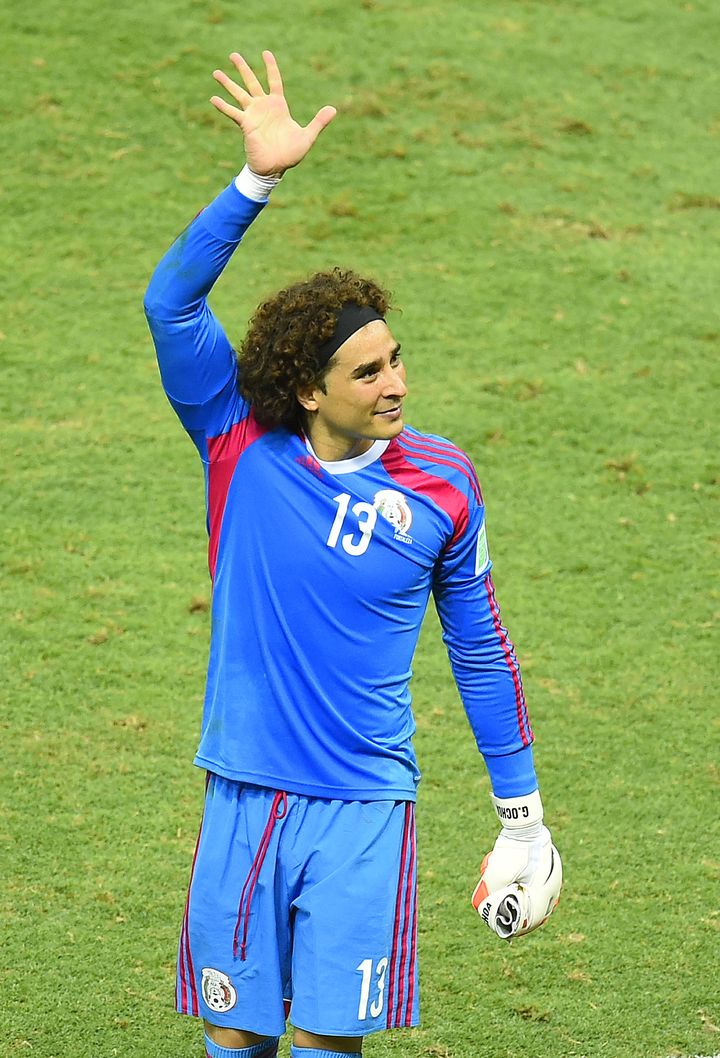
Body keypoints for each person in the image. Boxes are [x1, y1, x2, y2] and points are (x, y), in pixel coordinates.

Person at [144, 50, 561, 1058]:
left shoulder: (443, 483)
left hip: (369, 808)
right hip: (246, 790)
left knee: (333, 1043)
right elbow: (171, 306)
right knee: (235, 1040)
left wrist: (523, 817)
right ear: (308, 388)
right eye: (367, 369)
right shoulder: (240, 442)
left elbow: (480, 645)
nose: (396, 383)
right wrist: (257, 182)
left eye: (397, 357)